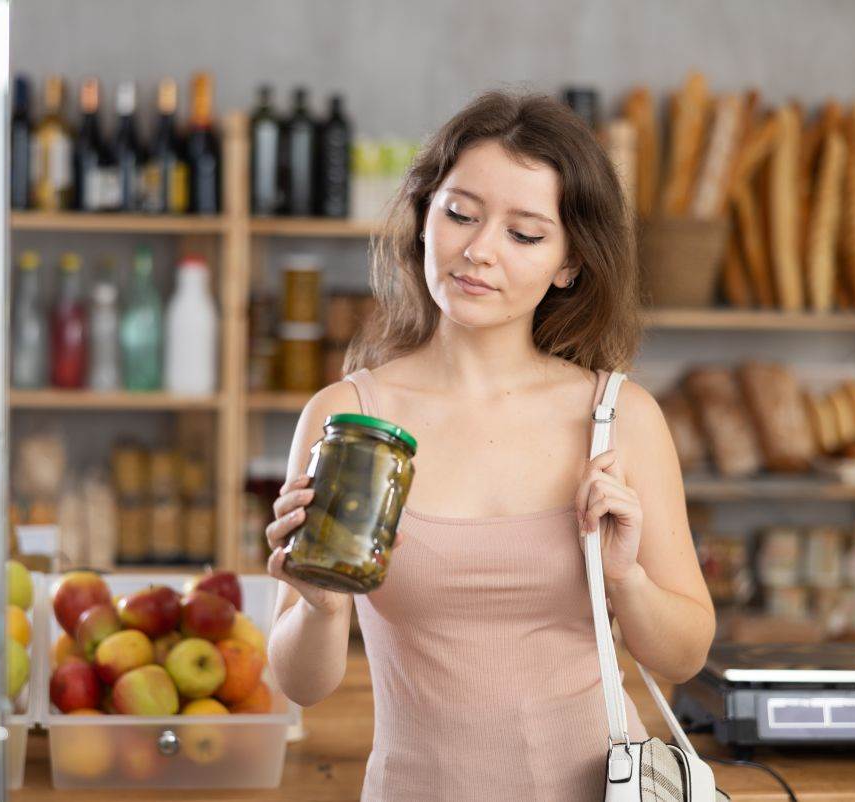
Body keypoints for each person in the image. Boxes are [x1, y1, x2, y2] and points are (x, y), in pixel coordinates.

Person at [265, 90, 715, 801]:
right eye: (460, 214)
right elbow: (300, 683)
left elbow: (685, 654)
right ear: (424, 218)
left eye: (525, 234)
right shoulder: (350, 419)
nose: (478, 251)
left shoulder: (618, 417)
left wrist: (624, 579)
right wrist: (318, 607)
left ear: (570, 263)